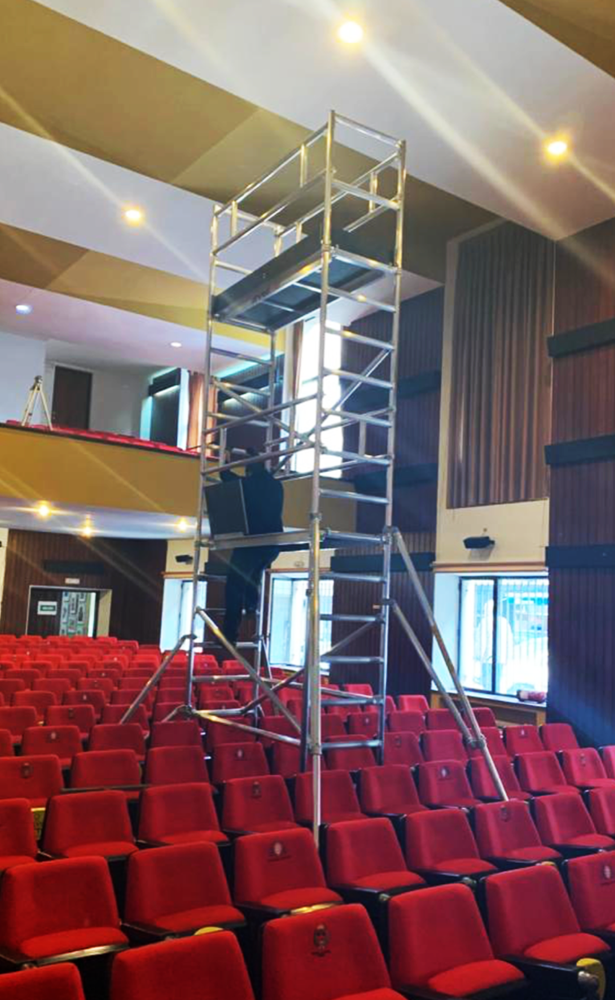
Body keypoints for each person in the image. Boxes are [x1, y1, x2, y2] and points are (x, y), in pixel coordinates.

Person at [221, 450, 284, 647]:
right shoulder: (276, 485)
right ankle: (250, 606)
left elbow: (226, 476)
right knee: (253, 574)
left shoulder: (248, 484)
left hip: (251, 542)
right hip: (272, 544)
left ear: (249, 471)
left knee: (234, 586)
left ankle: (230, 633)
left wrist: (225, 460)